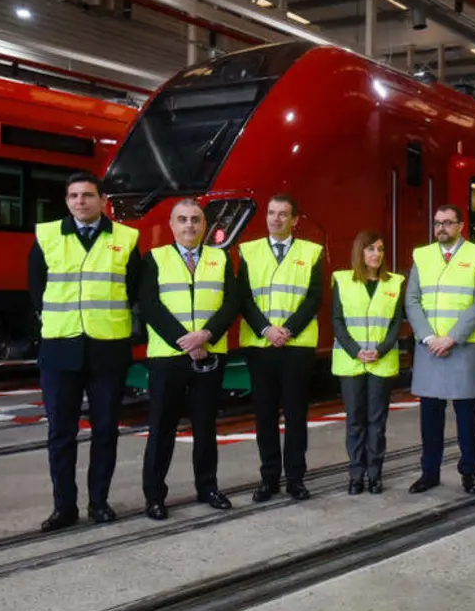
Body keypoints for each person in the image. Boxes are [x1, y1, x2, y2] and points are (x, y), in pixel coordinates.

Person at [28, 173, 141, 531]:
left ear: (102, 199)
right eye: (74, 196)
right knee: (61, 433)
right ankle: (64, 508)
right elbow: (36, 288)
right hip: (60, 349)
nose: (81, 201)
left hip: (107, 349)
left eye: (88, 195)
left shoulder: (126, 238)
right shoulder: (47, 236)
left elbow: (133, 290)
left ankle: (99, 503)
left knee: (105, 430)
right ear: (66, 200)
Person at [138, 199, 238, 520]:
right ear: (171, 224)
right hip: (168, 357)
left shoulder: (220, 258)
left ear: (204, 226)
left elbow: (231, 303)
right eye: (182, 220)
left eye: (195, 220)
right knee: (162, 428)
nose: (189, 226)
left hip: (209, 354)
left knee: (206, 426)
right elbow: (150, 305)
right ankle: (154, 496)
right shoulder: (154, 258)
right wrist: (186, 341)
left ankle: (207, 487)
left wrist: (205, 335)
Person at [238, 194, 324, 503]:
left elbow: (314, 297)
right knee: (264, 416)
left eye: (283, 214)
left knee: (296, 415)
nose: (276, 219)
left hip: (296, 346)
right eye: (271, 213)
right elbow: (244, 298)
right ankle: (269, 478)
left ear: (295, 220)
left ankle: (296, 479)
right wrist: (266, 329)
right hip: (260, 345)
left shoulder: (312, 252)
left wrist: (287, 330)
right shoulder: (248, 251)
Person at [404, 204, 475, 495]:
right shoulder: (422, 255)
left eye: (448, 222)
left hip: (462, 348)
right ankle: (429, 473)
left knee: (466, 417)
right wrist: (429, 337)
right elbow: (412, 301)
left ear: (461, 226)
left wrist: (451, 338)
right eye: (437, 222)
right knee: (430, 418)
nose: (441, 227)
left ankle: (469, 473)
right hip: (430, 348)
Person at [331, 231, 405, 495]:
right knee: (355, 420)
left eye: (381, 249)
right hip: (351, 361)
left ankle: (374, 474)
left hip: (381, 361)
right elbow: (337, 321)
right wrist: (355, 351)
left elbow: (397, 322)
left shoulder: (394, 283)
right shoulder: (342, 280)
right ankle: (355, 475)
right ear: (360, 252)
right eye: (371, 249)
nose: (376, 254)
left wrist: (380, 350)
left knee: (377, 420)